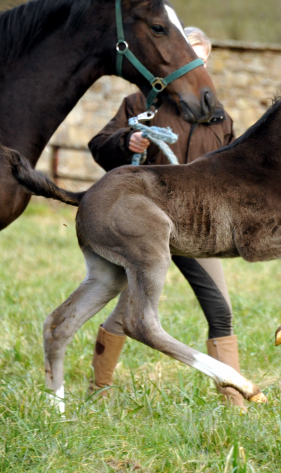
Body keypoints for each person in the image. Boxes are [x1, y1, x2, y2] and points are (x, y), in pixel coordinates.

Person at [86, 27, 243, 407]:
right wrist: (127, 141)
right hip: (146, 224)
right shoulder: (141, 103)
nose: (195, 62)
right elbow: (98, 145)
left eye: (201, 56)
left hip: (200, 228)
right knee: (129, 309)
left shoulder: (219, 117)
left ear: (205, 63)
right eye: (189, 53)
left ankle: (234, 399)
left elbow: (235, 172)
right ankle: (98, 389)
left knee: (220, 308)